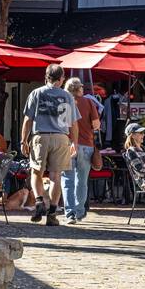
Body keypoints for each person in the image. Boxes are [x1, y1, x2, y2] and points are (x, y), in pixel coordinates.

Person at [21, 63, 78, 227]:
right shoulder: (66, 96)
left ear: (46, 77)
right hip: (60, 137)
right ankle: (52, 213)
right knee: (55, 176)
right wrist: (73, 141)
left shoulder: (36, 93)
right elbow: (71, 122)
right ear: (61, 79)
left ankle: (39, 201)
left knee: (36, 172)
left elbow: (28, 119)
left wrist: (23, 140)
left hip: (40, 136)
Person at [61, 77, 102, 224]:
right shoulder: (89, 102)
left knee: (67, 179)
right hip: (87, 146)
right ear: (79, 89)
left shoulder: (64, 104)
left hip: (67, 145)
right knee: (82, 181)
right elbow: (96, 125)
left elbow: (63, 126)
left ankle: (69, 213)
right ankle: (79, 212)